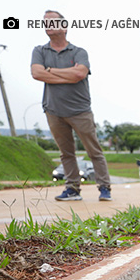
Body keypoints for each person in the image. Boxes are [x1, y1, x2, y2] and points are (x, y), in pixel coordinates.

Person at [31, 10, 112, 202]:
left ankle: (104, 188)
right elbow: (36, 73)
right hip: (53, 110)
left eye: (52, 22)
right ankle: (73, 189)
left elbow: (79, 75)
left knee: (94, 151)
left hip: (80, 110)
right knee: (66, 153)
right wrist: (65, 74)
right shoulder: (39, 51)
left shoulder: (79, 52)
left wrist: (50, 71)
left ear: (64, 26)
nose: (47, 25)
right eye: (45, 22)